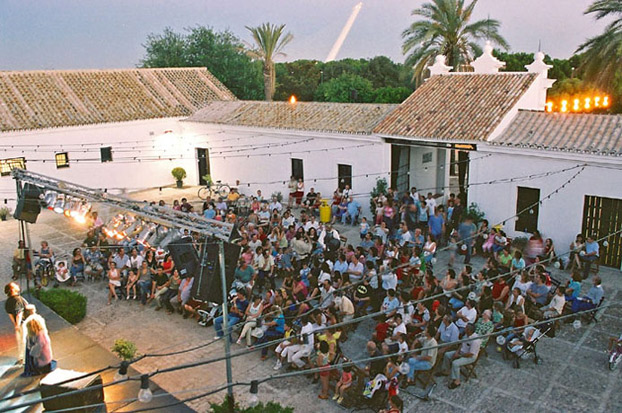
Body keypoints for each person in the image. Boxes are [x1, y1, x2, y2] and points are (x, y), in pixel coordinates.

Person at [438, 323, 481, 389]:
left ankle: (457, 381)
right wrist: (457, 352)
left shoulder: (475, 341)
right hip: (462, 352)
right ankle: (445, 371)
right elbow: (462, 344)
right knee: (447, 355)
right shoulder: (466, 335)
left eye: (466, 328)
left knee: (455, 363)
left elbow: (471, 353)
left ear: (469, 330)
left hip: (469, 357)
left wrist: (459, 355)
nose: (464, 329)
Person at [5, 282, 28, 364]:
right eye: (15, 286)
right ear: (12, 290)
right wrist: (18, 324)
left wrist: (15, 324)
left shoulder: (8, 301)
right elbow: (19, 313)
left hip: (17, 324)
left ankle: (21, 356)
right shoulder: (18, 299)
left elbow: (10, 314)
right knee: (24, 340)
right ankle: (25, 358)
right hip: (23, 322)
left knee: (19, 340)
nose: (18, 286)